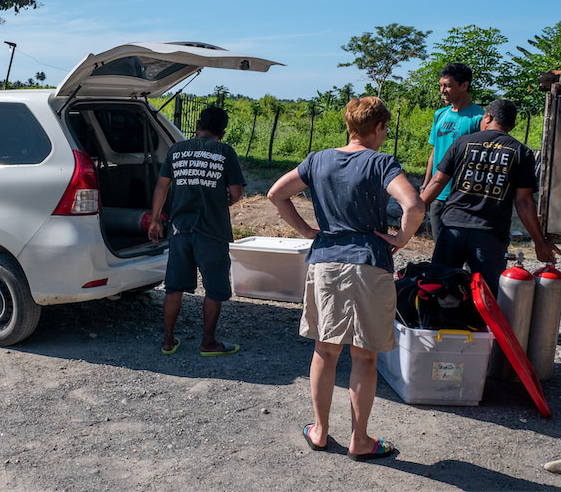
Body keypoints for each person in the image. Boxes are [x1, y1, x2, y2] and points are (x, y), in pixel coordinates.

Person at [268, 97, 424, 461]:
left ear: (348, 126)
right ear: (381, 128)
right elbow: (414, 206)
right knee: (364, 356)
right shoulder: (382, 162)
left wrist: (308, 230)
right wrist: (401, 239)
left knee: (325, 349)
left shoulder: (318, 159)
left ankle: (320, 431)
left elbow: (277, 193)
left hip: (326, 262)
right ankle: (360, 439)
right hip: (369, 262)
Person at [421, 98, 561, 296]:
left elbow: (436, 182)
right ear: (512, 126)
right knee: (486, 296)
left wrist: (413, 214)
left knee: (439, 289)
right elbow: (524, 202)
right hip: (490, 234)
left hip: (453, 228)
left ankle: (439, 325)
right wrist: (539, 242)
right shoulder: (521, 152)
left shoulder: (462, 142)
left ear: (487, 117)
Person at [148, 106, 245, 357]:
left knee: (174, 287)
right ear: (222, 132)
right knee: (214, 288)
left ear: (198, 124)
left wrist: (156, 219)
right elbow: (235, 192)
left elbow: (162, 186)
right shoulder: (225, 152)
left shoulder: (176, 150)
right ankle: (208, 343)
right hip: (212, 230)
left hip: (180, 229)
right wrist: (226, 199)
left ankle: (168, 341)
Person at [424, 63, 484, 242]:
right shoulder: (440, 115)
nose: (443, 90)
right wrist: (426, 186)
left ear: (464, 86)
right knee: (440, 253)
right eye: (441, 85)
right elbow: (435, 152)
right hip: (437, 195)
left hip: (462, 197)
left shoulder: (478, 118)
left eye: (447, 85)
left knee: (462, 252)